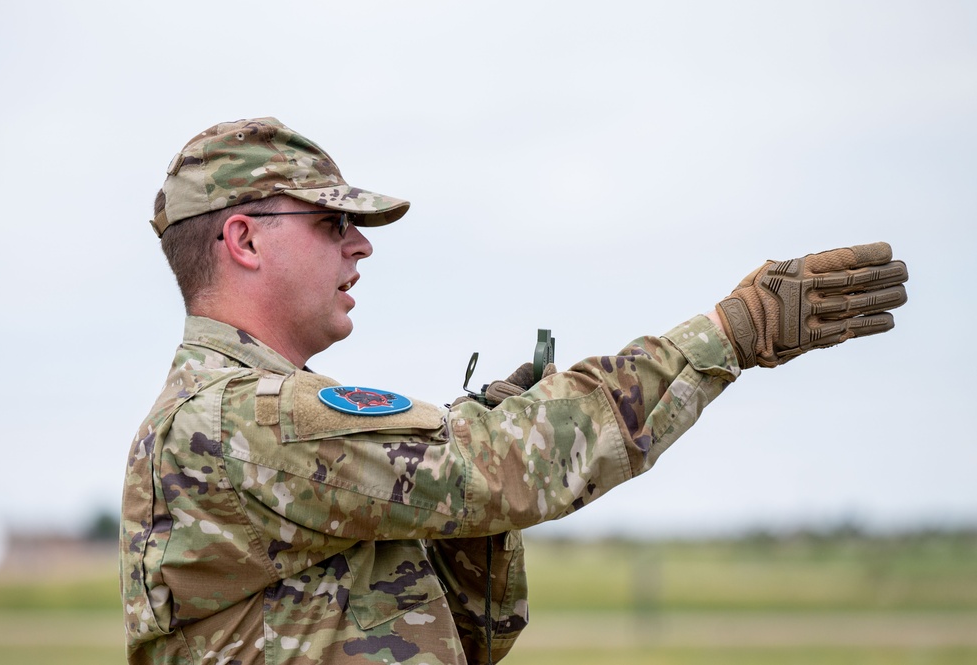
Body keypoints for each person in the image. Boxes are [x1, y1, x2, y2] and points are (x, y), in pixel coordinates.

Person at [120, 117, 908, 665]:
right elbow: (501, 465)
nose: (359, 244)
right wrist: (736, 331)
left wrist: (473, 492)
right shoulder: (238, 420)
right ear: (244, 238)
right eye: (329, 222)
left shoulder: (255, 422)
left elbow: (471, 631)